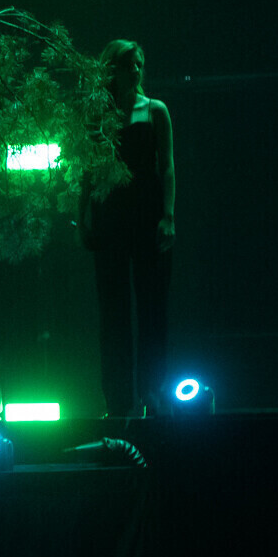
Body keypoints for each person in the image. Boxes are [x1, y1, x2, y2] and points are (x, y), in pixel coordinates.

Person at [79, 38, 176, 417]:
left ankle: (154, 394)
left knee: (153, 308)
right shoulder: (97, 114)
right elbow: (87, 171)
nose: (135, 71)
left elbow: (167, 167)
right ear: (113, 71)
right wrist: (83, 216)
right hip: (110, 217)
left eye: (139, 64)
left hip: (147, 214)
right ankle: (117, 401)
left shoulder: (155, 110)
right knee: (113, 313)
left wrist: (168, 216)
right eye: (128, 65)